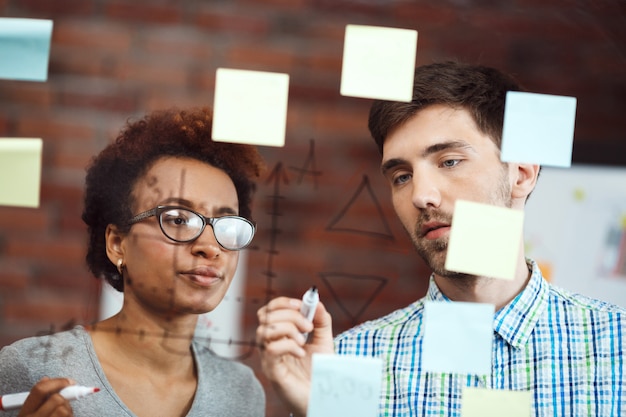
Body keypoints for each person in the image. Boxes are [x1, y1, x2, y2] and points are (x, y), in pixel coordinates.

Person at [256, 61, 626, 416]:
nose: (421, 195)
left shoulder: (617, 345)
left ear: (522, 174)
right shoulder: (349, 361)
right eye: (401, 176)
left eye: (449, 161)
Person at [0, 107, 266, 416]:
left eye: (227, 225)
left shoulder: (242, 393)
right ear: (117, 244)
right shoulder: (34, 370)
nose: (210, 247)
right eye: (178, 219)